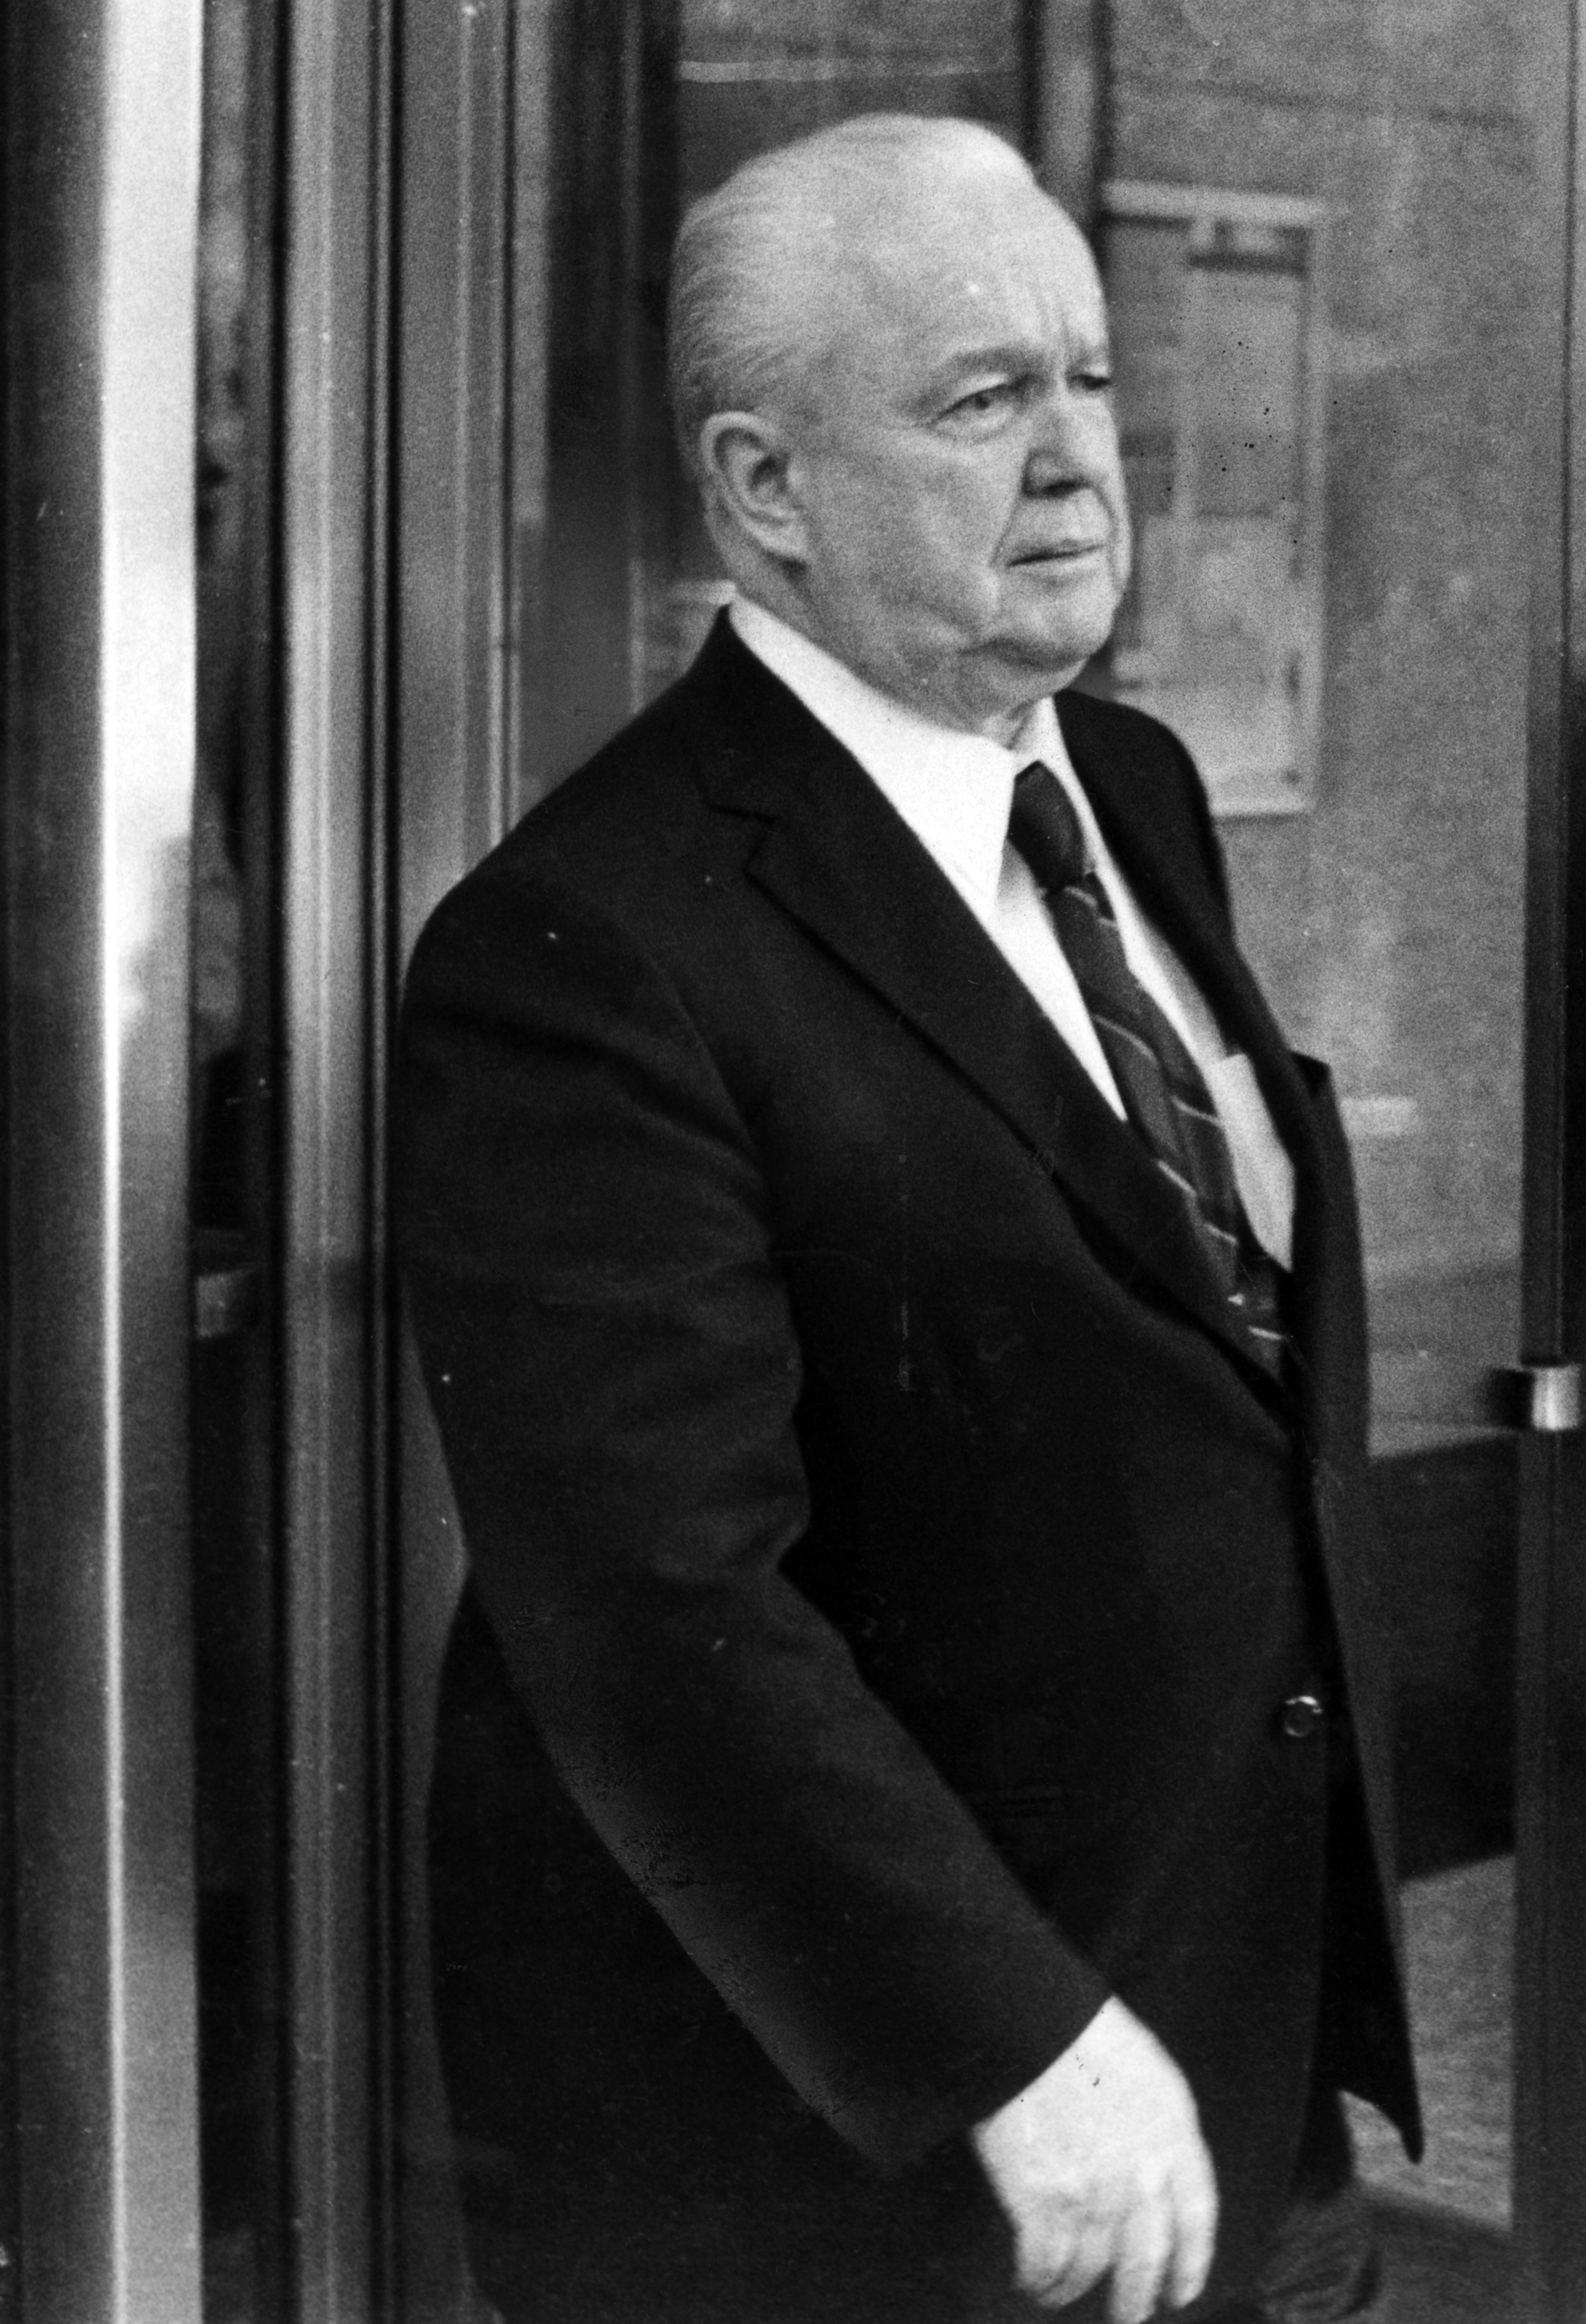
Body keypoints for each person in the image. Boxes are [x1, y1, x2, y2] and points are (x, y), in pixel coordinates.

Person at [396, 113, 1420, 2324]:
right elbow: (656, 1607)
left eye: (1092, 382)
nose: (1076, 460)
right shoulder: (586, 946)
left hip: (1228, 2071)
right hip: (875, 2164)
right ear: (765, 491)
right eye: (982, 401)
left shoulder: (1123, 786)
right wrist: (1015, 2042)